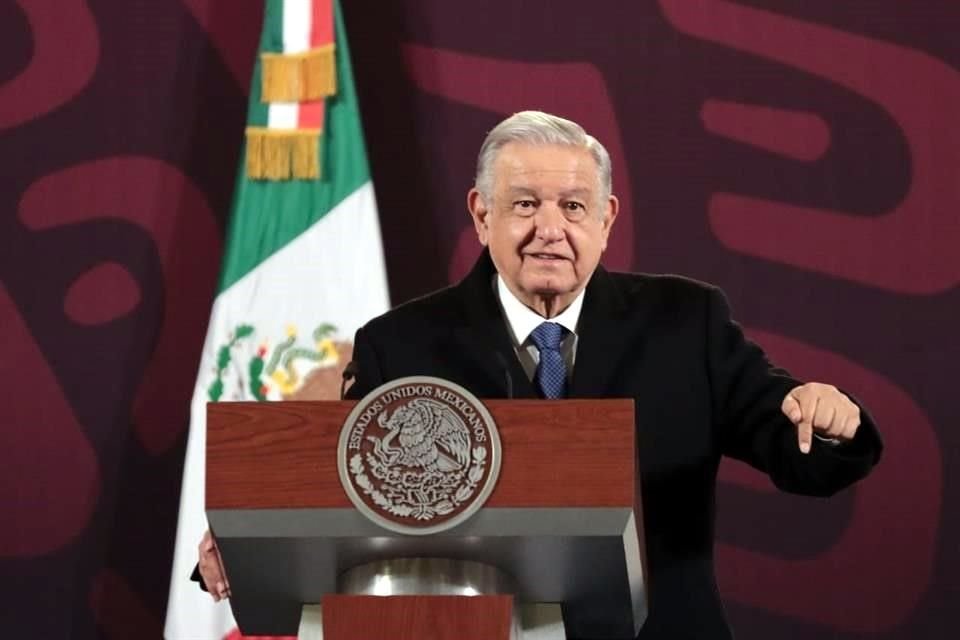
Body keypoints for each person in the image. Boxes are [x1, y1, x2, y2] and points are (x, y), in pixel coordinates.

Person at [196, 111, 883, 639]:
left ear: (606, 220)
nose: (549, 228)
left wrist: (827, 419)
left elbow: (791, 440)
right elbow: (343, 483)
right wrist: (245, 531)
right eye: (525, 204)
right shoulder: (401, 344)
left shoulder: (685, 323)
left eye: (573, 206)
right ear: (481, 214)